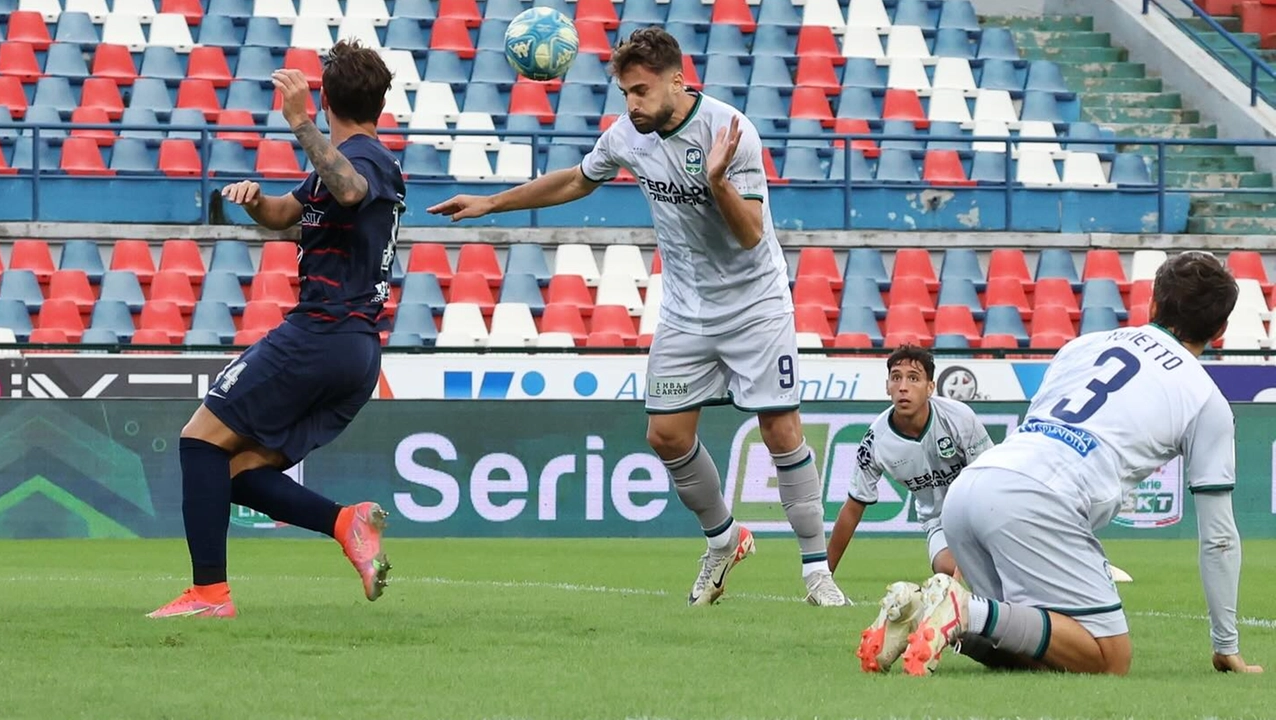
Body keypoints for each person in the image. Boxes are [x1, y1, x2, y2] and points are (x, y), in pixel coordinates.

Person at [427, 28, 846, 606]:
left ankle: (816, 572)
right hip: (684, 308)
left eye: (642, 91)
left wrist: (717, 180)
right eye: (625, 93)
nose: (633, 105)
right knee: (666, 434)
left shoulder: (729, 131)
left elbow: (751, 236)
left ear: (678, 78)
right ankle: (724, 539)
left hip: (755, 303)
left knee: (780, 428)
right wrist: (492, 202)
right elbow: (577, 178)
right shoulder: (629, 135)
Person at [882, 252, 1262, 676]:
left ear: (1151, 305)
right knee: (1109, 658)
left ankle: (924, 611)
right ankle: (964, 611)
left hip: (975, 485)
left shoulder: (1082, 345)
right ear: (1220, 330)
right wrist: (1226, 644)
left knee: (1037, 647)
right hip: (1037, 502)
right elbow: (1219, 539)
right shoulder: (1206, 400)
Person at [148, 40, 405, 619]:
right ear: (380, 103)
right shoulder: (352, 164)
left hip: (323, 333)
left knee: (198, 440)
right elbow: (290, 216)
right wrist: (258, 201)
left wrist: (299, 123)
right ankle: (347, 522)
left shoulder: (361, 160)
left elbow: (349, 189)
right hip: (354, 350)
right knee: (237, 470)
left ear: (326, 99)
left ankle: (210, 595)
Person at [826, 346, 992, 671]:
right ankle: (930, 615)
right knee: (947, 569)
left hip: (983, 509)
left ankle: (934, 615)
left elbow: (990, 483)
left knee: (987, 572)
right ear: (887, 386)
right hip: (938, 523)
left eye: (914, 378)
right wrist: (823, 575)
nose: (903, 386)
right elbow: (852, 508)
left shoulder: (959, 419)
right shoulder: (875, 441)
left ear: (930, 387)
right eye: (896, 378)